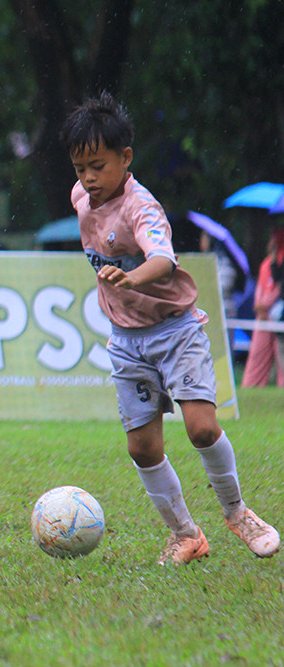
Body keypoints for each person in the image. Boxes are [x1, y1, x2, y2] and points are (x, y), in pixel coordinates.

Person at [60, 92, 279, 566]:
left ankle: (238, 512)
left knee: (201, 429)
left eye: (97, 166)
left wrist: (130, 277)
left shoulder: (143, 208)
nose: (88, 179)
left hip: (176, 331)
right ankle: (186, 535)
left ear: (126, 158)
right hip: (126, 341)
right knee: (142, 447)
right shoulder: (81, 197)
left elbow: (162, 259)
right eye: (80, 168)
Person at [241, 229, 284, 387]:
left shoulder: (279, 263)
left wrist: (266, 305)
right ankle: (251, 386)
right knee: (257, 356)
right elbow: (262, 286)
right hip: (263, 316)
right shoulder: (267, 263)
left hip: (277, 315)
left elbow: (279, 287)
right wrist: (260, 306)